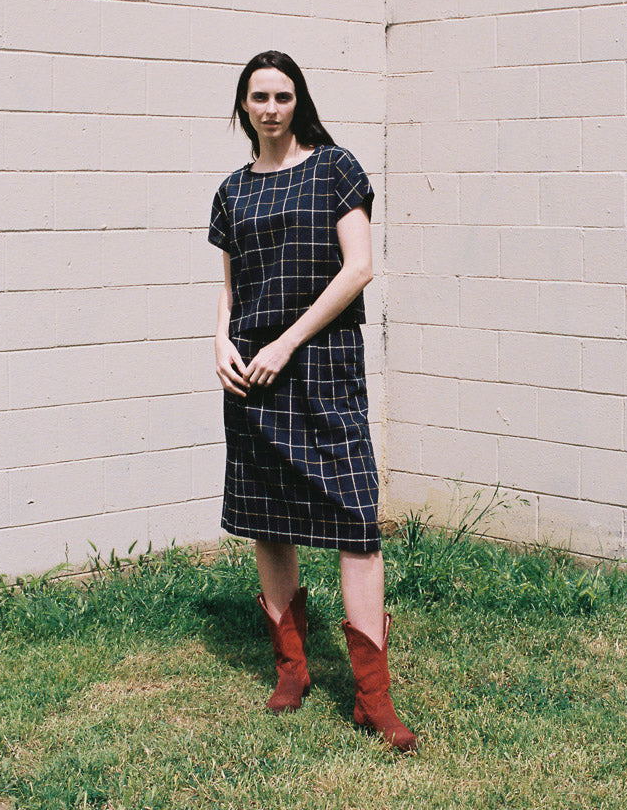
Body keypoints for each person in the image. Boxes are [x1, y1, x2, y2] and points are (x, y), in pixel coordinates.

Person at [207, 50, 417, 753]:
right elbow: (231, 289)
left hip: (318, 365)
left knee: (357, 521)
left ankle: (372, 698)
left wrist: (287, 341)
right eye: (258, 97)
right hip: (251, 374)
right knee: (271, 521)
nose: (270, 108)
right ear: (243, 106)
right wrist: (219, 341)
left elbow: (357, 267)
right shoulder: (232, 192)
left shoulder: (336, 168)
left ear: (300, 101)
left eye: (282, 96)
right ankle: (291, 670)